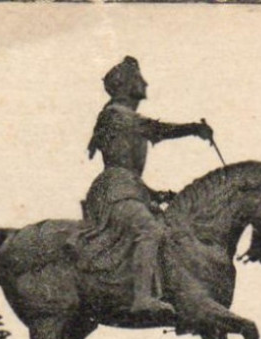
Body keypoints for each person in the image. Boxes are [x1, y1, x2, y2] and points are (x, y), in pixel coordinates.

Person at [82, 57, 214, 318]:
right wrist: (194, 129)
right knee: (149, 230)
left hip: (128, 188)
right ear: (126, 85)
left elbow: (128, 167)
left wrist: (155, 194)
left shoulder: (118, 115)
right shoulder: (116, 114)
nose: (145, 84)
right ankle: (142, 298)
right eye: (139, 79)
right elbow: (155, 129)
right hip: (114, 190)